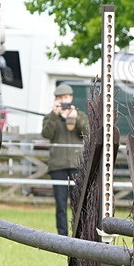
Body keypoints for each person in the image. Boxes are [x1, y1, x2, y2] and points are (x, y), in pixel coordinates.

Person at [41, 83, 88, 235]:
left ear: (71, 98)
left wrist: (76, 118)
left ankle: (78, 233)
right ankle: (62, 236)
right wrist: (55, 115)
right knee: (60, 204)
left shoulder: (80, 115)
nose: (64, 101)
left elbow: (87, 132)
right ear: (56, 100)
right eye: (60, 98)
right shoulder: (50, 117)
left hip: (76, 165)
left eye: (66, 98)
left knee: (78, 203)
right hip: (58, 166)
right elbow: (46, 134)